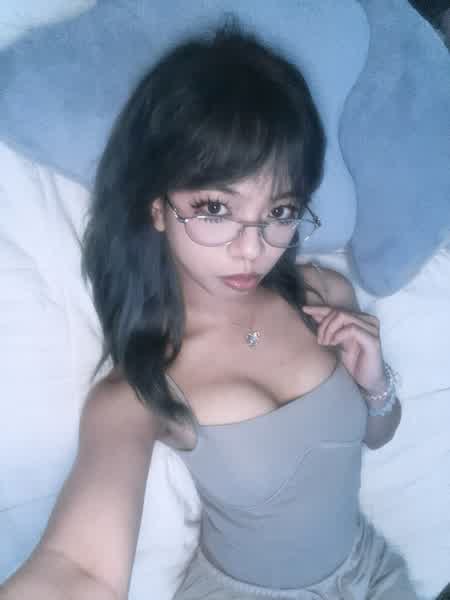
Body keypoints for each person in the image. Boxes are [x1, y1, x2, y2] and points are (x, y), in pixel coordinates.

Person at [0, 21, 418, 600]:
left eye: (280, 211)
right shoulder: (140, 392)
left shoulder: (324, 297)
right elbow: (78, 568)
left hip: (371, 571)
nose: (253, 248)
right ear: (156, 207)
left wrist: (375, 384)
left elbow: (377, 434)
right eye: (216, 208)